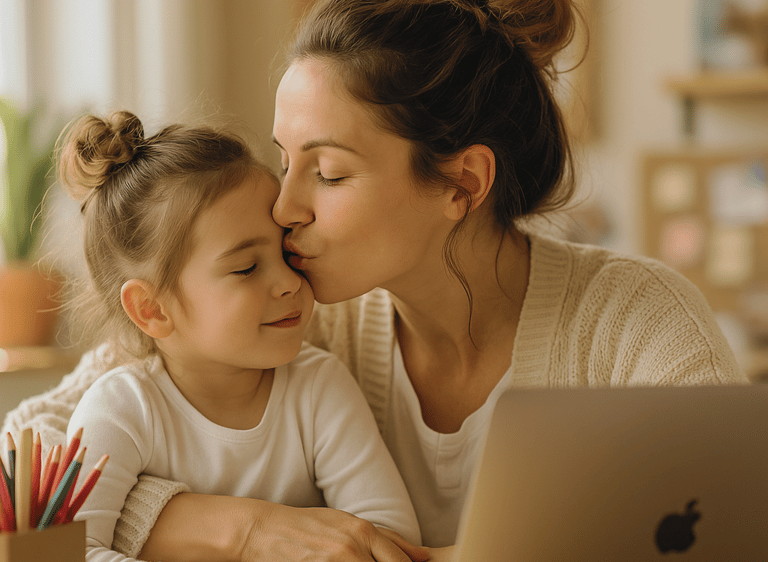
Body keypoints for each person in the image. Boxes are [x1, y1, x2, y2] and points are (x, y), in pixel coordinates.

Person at [3, 0, 748, 560]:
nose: (284, 206)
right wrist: (249, 529)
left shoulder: (634, 326)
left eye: (327, 172)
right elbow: (25, 468)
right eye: (284, 161)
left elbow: (731, 531)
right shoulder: (289, 316)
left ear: (462, 183)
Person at [49, 110, 421, 562]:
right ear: (152, 309)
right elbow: (67, 551)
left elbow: (389, 536)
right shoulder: (122, 410)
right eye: (246, 267)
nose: (288, 282)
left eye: (286, 252)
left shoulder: (319, 386)